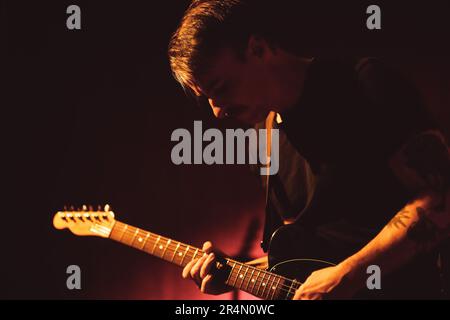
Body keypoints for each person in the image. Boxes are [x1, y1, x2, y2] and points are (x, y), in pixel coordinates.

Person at [168, 0, 450, 299]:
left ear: (257, 48)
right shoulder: (263, 141)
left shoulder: (364, 84)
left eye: (221, 88)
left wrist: (347, 276)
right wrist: (235, 274)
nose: (216, 112)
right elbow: (313, 257)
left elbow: (441, 198)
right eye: (207, 98)